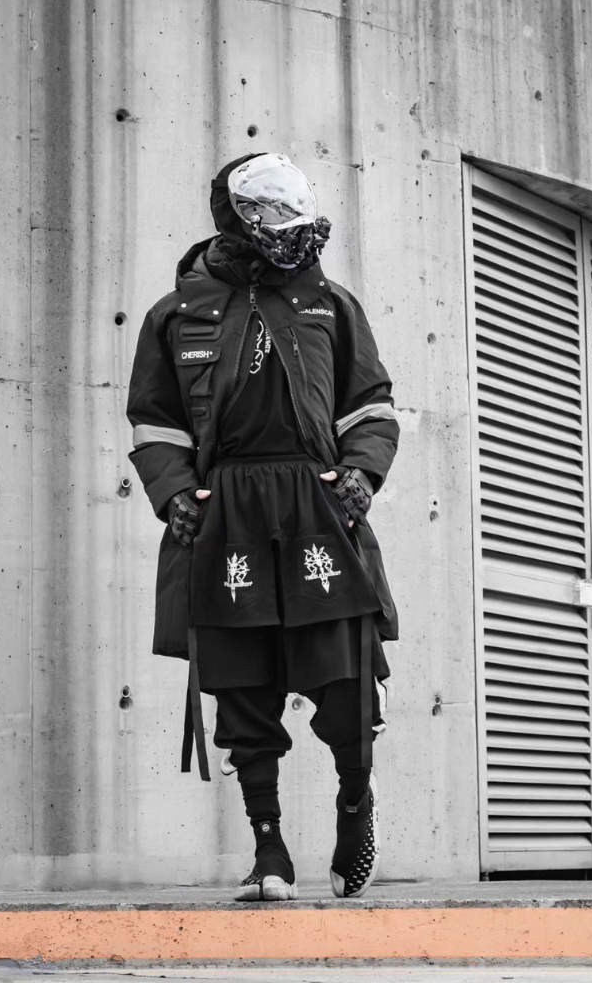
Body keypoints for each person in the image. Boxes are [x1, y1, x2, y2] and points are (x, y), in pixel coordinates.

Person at [126, 152, 399, 901]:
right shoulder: (176, 313)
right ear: (238, 217)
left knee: (345, 681)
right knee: (242, 686)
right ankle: (269, 849)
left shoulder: (330, 304)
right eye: (270, 211)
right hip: (226, 513)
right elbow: (154, 421)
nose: (288, 226)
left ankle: (355, 800)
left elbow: (371, 406)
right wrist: (173, 493)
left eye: (292, 209)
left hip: (317, 505)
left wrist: (361, 476)